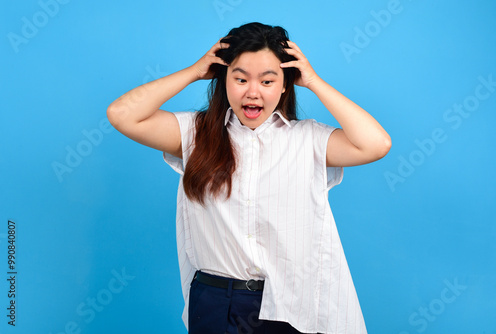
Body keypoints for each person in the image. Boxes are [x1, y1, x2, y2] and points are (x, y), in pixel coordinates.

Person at [107, 22, 391, 334]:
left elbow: (376, 144)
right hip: (216, 302)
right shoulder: (196, 134)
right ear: (223, 78)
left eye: (267, 81)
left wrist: (314, 81)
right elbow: (122, 114)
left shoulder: (307, 140)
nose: (252, 92)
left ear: (285, 84)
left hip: (288, 305)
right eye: (240, 79)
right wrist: (193, 71)